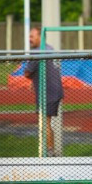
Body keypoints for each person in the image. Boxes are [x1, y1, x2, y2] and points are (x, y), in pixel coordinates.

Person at [25, 27, 64, 157]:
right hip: (52, 89)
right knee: (45, 122)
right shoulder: (49, 48)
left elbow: (27, 72)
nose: (30, 39)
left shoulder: (38, 52)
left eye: (32, 36)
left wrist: (31, 76)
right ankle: (49, 150)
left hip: (48, 91)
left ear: (40, 37)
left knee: (44, 122)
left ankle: (49, 152)